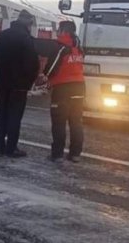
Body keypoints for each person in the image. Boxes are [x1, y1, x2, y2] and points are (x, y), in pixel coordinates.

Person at [0, 10, 40, 158]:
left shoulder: (1, 36)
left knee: (2, 113)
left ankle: (0, 148)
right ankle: (11, 148)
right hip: (19, 84)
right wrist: (29, 82)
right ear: (28, 23)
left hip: (2, 82)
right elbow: (33, 64)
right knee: (14, 116)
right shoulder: (27, 39)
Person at [43, 20, 85, 163]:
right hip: (79, 87)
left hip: (63, 89)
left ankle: (57, 154)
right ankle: (75, 154)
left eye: (59, 29)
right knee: (76, 122)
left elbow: (50, 69)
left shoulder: (61, 47)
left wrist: (44, 77)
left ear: (64, 31)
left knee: (59, 122)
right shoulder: (79, 48)